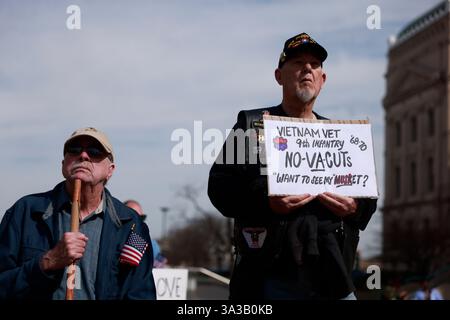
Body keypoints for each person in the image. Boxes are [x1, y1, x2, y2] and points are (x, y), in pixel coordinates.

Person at [208, 32, 377, 300]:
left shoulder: (343, 137)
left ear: (323, 80)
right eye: (298, 62)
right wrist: (266, 200)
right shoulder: (251, 127)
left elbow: (368, 199)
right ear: (279, 76)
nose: (307, 69)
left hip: (333, 278)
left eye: (315, 65)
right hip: (268, 278)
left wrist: (355, 207)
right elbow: (219, 188)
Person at [0, 127, 156, 299]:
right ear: (63, 164)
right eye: (74, 150)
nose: (83, 156)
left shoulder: (133, 225)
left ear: (110, 170)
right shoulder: (25, 212)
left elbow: (141, 294)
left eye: (95, 152)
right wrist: (48, 262)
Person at [124, 199, 168, 268]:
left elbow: (159, 268)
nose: (138, 221)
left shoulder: (152, 245)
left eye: (141, 217)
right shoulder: (112, 240)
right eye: (133, 217)